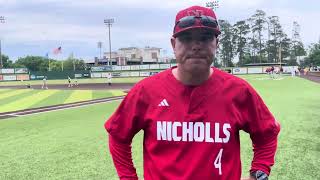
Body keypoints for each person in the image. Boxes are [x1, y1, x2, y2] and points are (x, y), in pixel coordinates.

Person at [105, 5, 280, 180]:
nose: (196, 46)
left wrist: (258, 174)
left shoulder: (239, 91)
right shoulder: (147, 91)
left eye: (205, 38)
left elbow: (268, 133)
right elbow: (118, 136)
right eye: (186, 38)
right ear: (174, 44)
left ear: (216, 44)